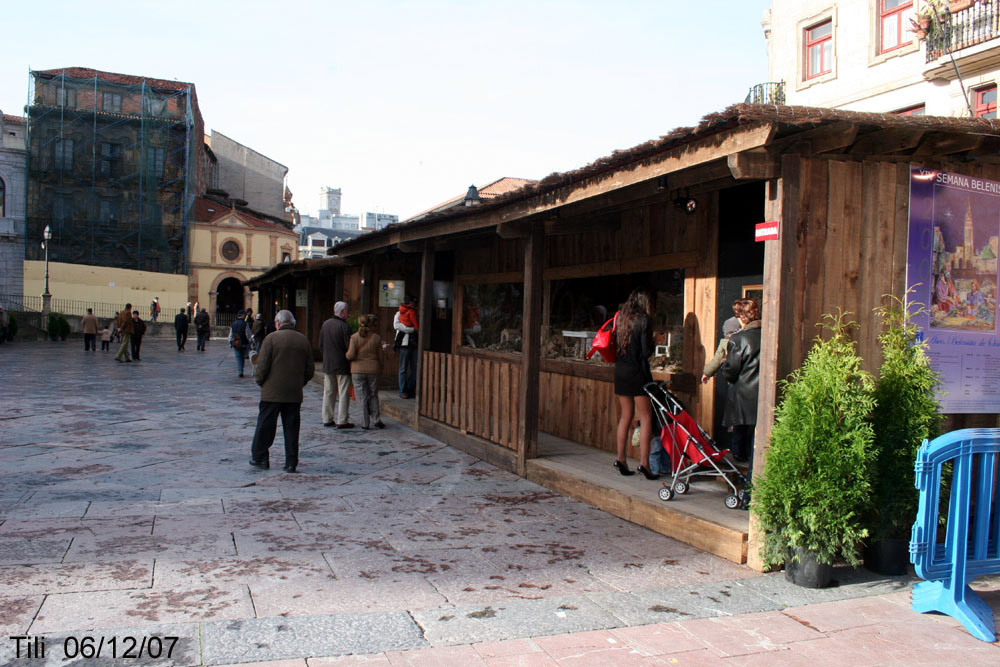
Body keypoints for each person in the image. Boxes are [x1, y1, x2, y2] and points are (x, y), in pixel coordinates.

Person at [249, 309, 315, 473]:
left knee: (265, 426)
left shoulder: (271, 339)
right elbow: (310, 370)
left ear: (277, 323)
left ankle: (260, 457)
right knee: (292, 428)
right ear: (293, 323)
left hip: (271, 393)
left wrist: (261, 381)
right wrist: (300, 382)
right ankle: (291, 462)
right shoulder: (303, 340)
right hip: (293, 393)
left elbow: (262, 366)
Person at [613, 289, 658, 480]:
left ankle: (621, 459)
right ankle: (645, 464)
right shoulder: (644, 320)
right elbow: (646, 351)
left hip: (621, 369)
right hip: (638, 372)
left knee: (626, 415)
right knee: (646, 417)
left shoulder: (622, 319)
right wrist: (656, 340)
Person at [720, 298, 762, 475]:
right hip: (762, 393)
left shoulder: (739, 338)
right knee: (756, 435)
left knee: (740, 430)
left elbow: (731, 369)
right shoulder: (769, 334)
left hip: (742, 392)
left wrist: (724, 364)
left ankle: (739, 460)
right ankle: (753, 466)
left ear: (742, 317)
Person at [346, 314, 386, 430]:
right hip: (373, 369)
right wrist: (380, 368)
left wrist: (346, 355)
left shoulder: (354, 337)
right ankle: (377, 419)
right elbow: (381, 356)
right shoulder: (377, 337)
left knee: (362, 396)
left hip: (357, 370)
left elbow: (351, 355)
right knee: (373, 394)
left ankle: (365, 423)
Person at [320, 301, 354, 428]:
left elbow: (321, 345)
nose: (348, 313)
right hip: (342, 364)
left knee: (328, 391)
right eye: (347, 311)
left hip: (328, 363)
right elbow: (348, 347)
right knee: (344, 392)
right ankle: (342, 420)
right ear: (342, 312)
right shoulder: (344, 327)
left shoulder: (325, 325)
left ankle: (327, 418)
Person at [701, 316, 741, 383]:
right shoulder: (726, 342)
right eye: (728, 334)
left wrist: (707, 373)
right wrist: (707, 373)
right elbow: (718, 358)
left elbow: (717, 358)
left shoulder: (726, 341)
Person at [393, 296, 419, 399]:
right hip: (403, 343)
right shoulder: (399, 313)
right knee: (403, 369)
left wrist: (409, 329)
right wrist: (412, 329)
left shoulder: (414, 313)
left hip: (414, 343)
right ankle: (403, 391)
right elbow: (396, 326)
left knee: (415, 369)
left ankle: (410, 389)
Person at [229, 309, 250, 377]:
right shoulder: (245, 323)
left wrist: (231, 342)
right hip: (244, 343)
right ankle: (241, 370)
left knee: (238, 357)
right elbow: (248, 334)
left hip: (236, 343)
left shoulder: (234, 323)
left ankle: (240, 371)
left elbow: (231, 334)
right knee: (242, 356)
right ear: (243, 315)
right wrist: (250, 341)